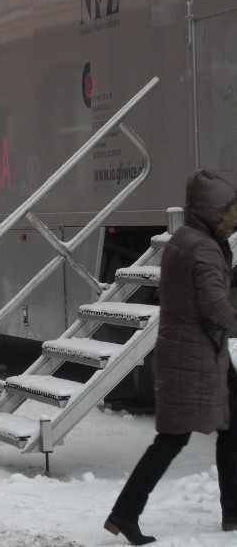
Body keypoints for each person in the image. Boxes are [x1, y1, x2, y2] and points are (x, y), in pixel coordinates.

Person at [105, 169, 237, 545]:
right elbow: (215, 308)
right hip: (193, 356)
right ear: (212, 211)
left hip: (193, 352)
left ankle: (232, 511)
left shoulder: (184, 239)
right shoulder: (205, 248)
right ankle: (124, 514)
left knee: (232, 428)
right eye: (228, 216)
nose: (232, 224)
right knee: (171, 439)